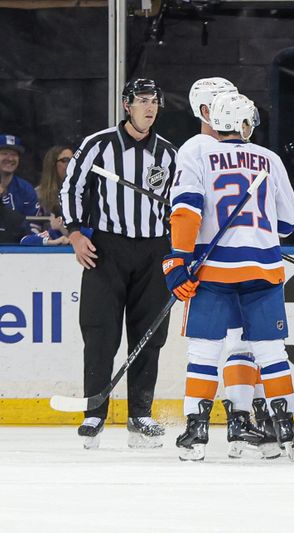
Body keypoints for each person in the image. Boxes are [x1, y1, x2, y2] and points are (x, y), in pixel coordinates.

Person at [168, 91, 294, 461]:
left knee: (204, 353)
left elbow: (186, 210)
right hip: (263, 267)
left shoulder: (198, 154)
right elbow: (290, 222)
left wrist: (178, 259)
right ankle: (284, 425)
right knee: (271, 352)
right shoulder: (269, 158)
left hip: (213, 270)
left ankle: (196, 431)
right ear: (244, 124)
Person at [59, 78, 177, 449]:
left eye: (154, 101)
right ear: (127, 105)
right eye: (142, 100)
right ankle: (94, 412)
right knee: (100, 333)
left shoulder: (170, 153)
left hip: (155, 251)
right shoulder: (99, 144)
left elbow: (180, 204)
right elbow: (71, 188)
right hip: (107, 250)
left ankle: (140, 416)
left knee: (148, 337)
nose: (149, 107)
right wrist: (77, 233)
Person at [0, 134, 37, 236]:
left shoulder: (26, 189)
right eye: (5, 153)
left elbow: (33, 227)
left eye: (14, 154)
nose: (10, 158)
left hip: (17, 248)